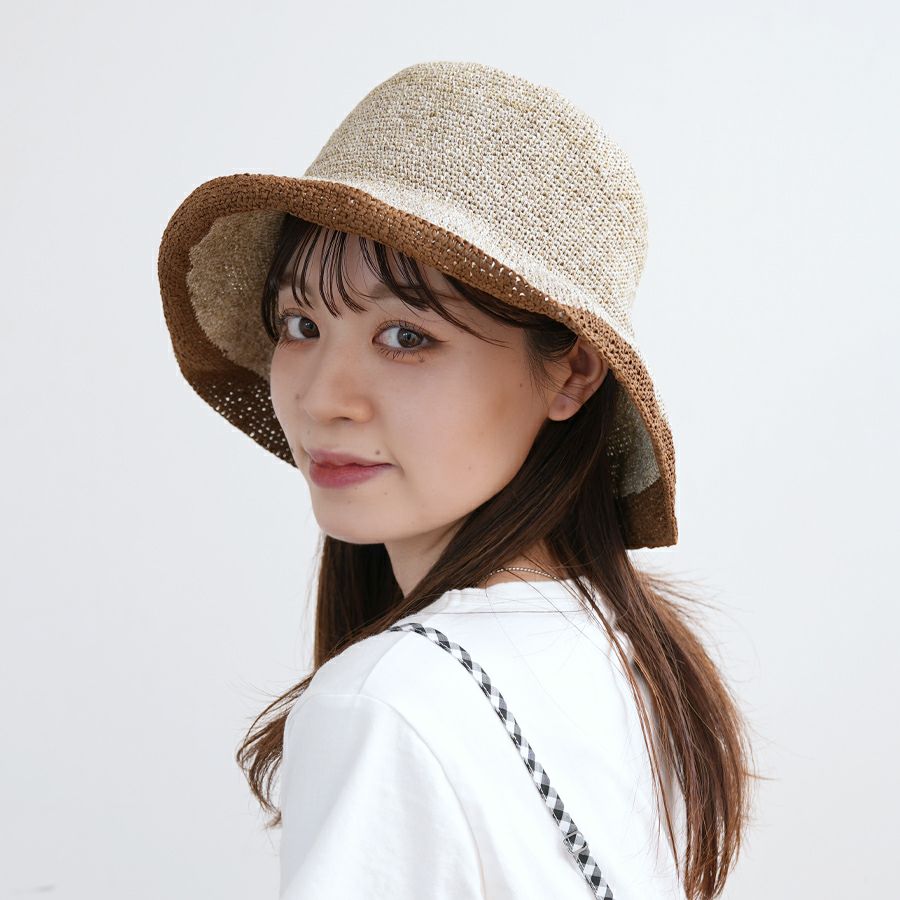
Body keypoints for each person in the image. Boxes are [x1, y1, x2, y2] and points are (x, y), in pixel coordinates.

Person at [157, 60, 758, 900]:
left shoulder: (387, 705)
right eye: (300, 323)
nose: (323, 398)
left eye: (406, 337)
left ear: (572, 373)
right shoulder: (634, 654)